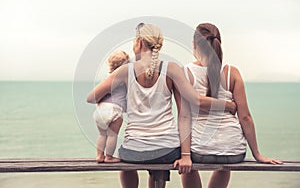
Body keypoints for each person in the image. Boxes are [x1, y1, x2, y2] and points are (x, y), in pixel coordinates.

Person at [86, 23, 236, 188]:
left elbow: (91, 98)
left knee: (125, 158)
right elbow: (184, 115)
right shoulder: (171, 69)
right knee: (159, 158)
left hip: (134, 151)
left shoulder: (124, 71)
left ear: (140, 42)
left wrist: (116, 97)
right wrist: (185, 154)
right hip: (168, 149)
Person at [181, 23, 283, 188]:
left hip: (199, 150)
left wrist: (185, 154)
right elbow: (245, 117)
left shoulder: (185, 72)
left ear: (194, 44)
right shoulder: (232, 72)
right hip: (233, 151)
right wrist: (257, 154)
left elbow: (184, 116)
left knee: (187, 166)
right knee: (224, 165)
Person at [92, 50, 129, 163]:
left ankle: (99, 156)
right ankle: (109, 157)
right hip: (114, 109)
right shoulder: (123, 79)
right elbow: (127, 96)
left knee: (102, 135)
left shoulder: (107, 78)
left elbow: (100, 94)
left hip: (101, 109)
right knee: (112, 135)